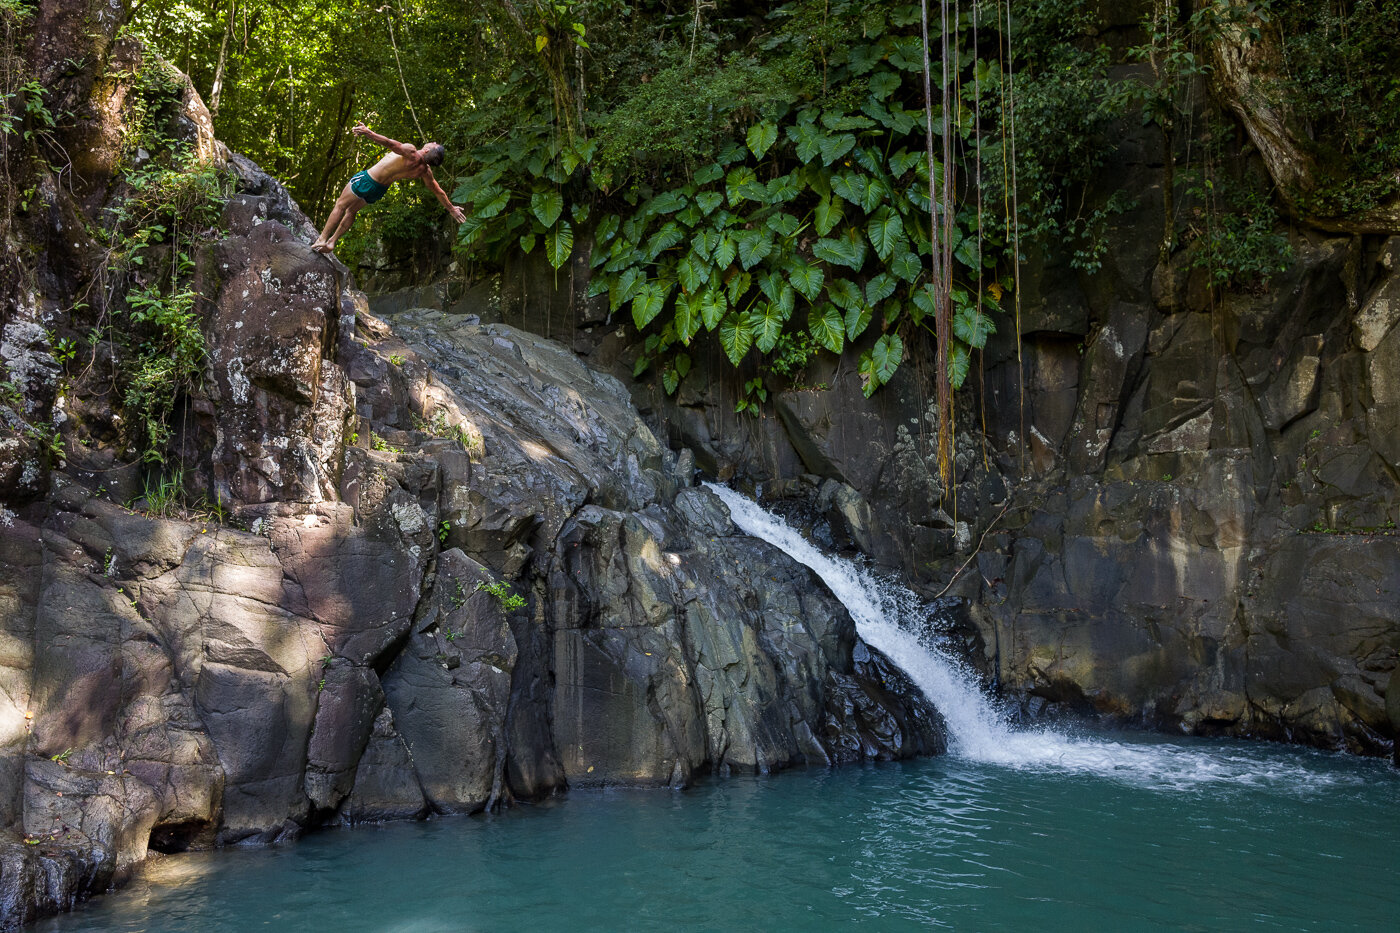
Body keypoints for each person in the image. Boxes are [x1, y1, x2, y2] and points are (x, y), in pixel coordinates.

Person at [311, 121, 467, 254]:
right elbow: (438, 191)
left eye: (434, 144)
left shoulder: (412, 152)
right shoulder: (425, 172)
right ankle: (332, 241)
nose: (432, 142)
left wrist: (368, 132)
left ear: (427, 150)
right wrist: (451, 209)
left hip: (367, 180)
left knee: (340, 205)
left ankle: (322, 238)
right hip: (379, 190)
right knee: (351, 211)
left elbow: (390, 143)